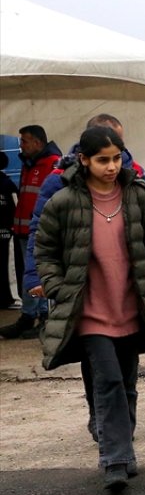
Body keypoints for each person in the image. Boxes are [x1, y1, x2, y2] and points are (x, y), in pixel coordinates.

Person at [20, 114, 145, 440]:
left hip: (127, 291)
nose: (112, 161)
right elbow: (42, 231)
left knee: (124, 371)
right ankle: (106, 429)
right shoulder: (59, 181)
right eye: (104, 153)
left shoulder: (134, 176)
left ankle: (117, 428)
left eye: (118, 149)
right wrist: (36, 277)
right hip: (86, 293)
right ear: (85, 150)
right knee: (99, 365)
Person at [0, 125, 61, 339]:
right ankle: (28, 316)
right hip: (23, 231)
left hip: (41, 233)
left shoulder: (52, 164)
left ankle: (44, 317)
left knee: (41, 273)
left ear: (37, 142)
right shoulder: (29, 164)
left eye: (24, 141)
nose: (21, 145)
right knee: (27, 274)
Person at [0, 152, 16, 309]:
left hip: (5, 229)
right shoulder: (7, 182)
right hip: (4, 230)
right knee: (3, 263)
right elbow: (13, 205)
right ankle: (5, 297)